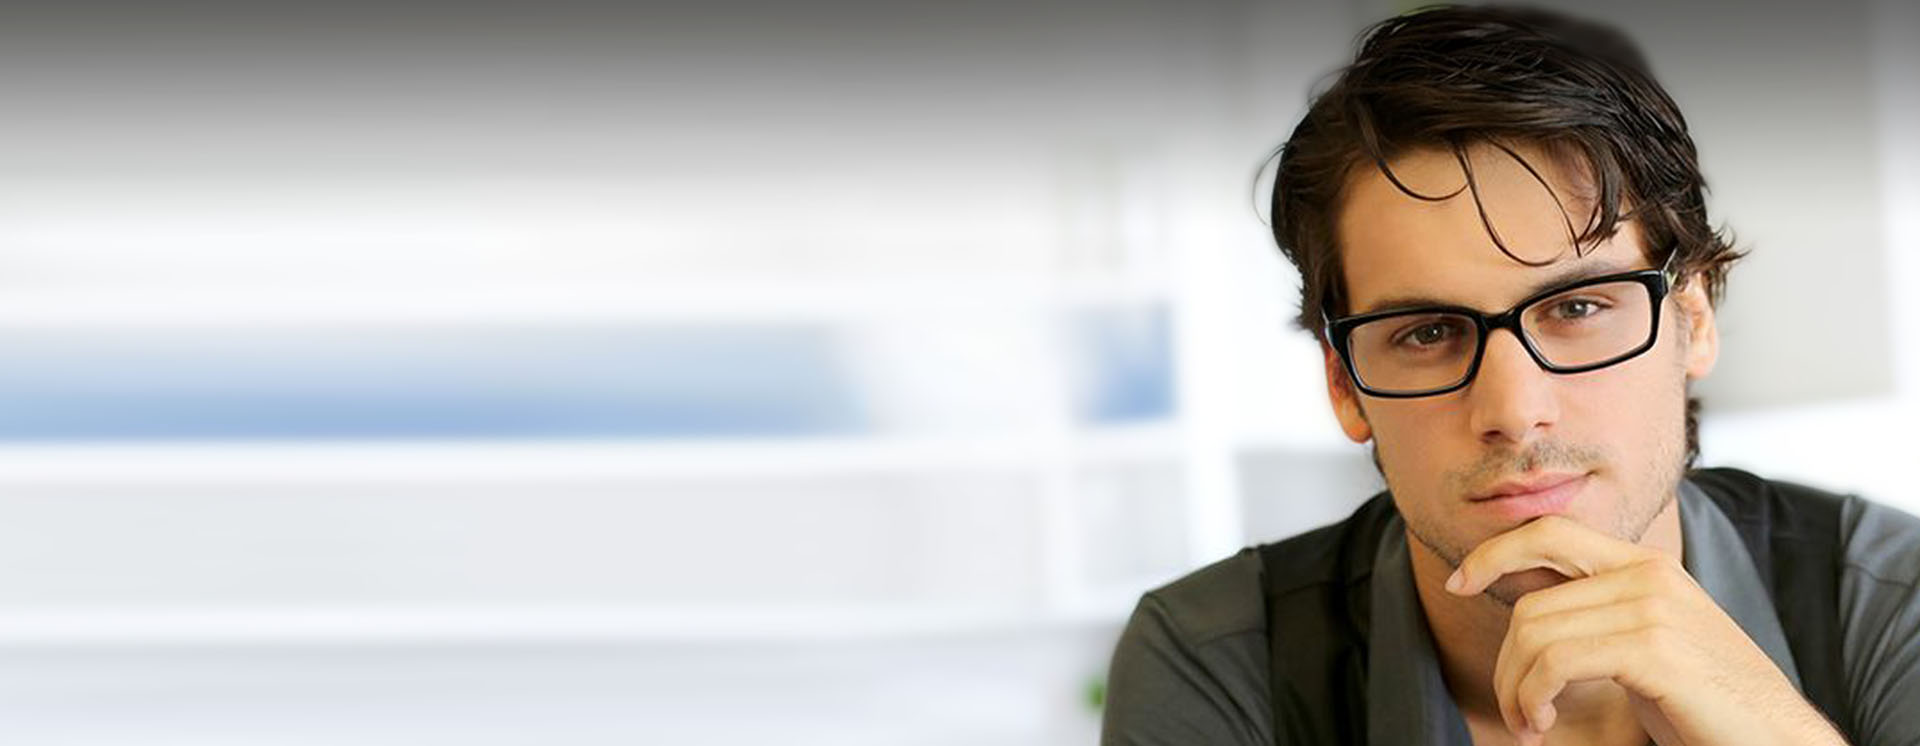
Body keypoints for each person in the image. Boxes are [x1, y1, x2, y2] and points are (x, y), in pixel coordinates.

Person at [1100, 5, 1920, 745]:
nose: (1515, 410)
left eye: (1577, 308)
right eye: (1427, 333)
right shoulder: (1218, 659)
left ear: (1693, 320)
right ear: (1344, 386)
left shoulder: (1894, 599)